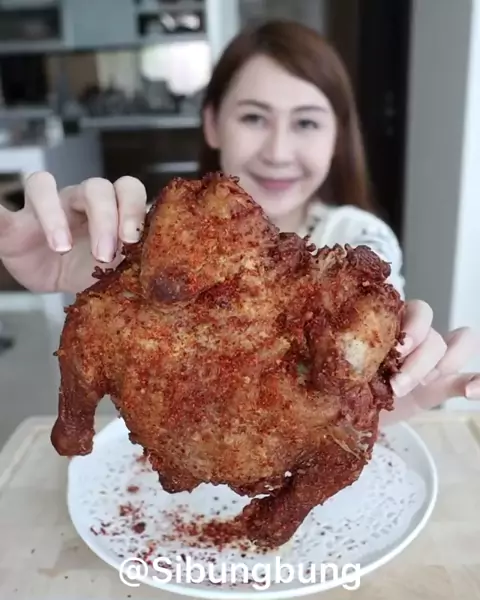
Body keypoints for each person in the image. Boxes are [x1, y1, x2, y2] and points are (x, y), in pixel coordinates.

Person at [0, 20, 478, 424]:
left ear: (337, 138)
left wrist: (409, 392)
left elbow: (353, 409)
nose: (278, 151)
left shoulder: (359, 244)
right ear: (212, 123)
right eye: (253, 118)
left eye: (306, 123)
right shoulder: (155, 243)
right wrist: (70, 270)